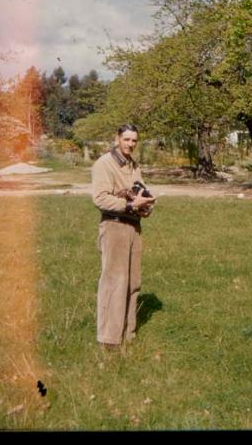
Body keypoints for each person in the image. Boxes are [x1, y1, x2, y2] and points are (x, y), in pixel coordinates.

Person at [91, 124, 156, 351]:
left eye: (134, 140)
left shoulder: (133, 165)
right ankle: (109, 341)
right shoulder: (104, 164)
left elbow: (139, 193)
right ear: (117, 138)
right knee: (114, 282)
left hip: (133, 227)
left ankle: (127, 335)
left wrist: (145, 204)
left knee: (132, 282)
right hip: (114, 226)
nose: (131, 144)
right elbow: (99, 198)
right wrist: (129, 204)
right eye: (127, 139)